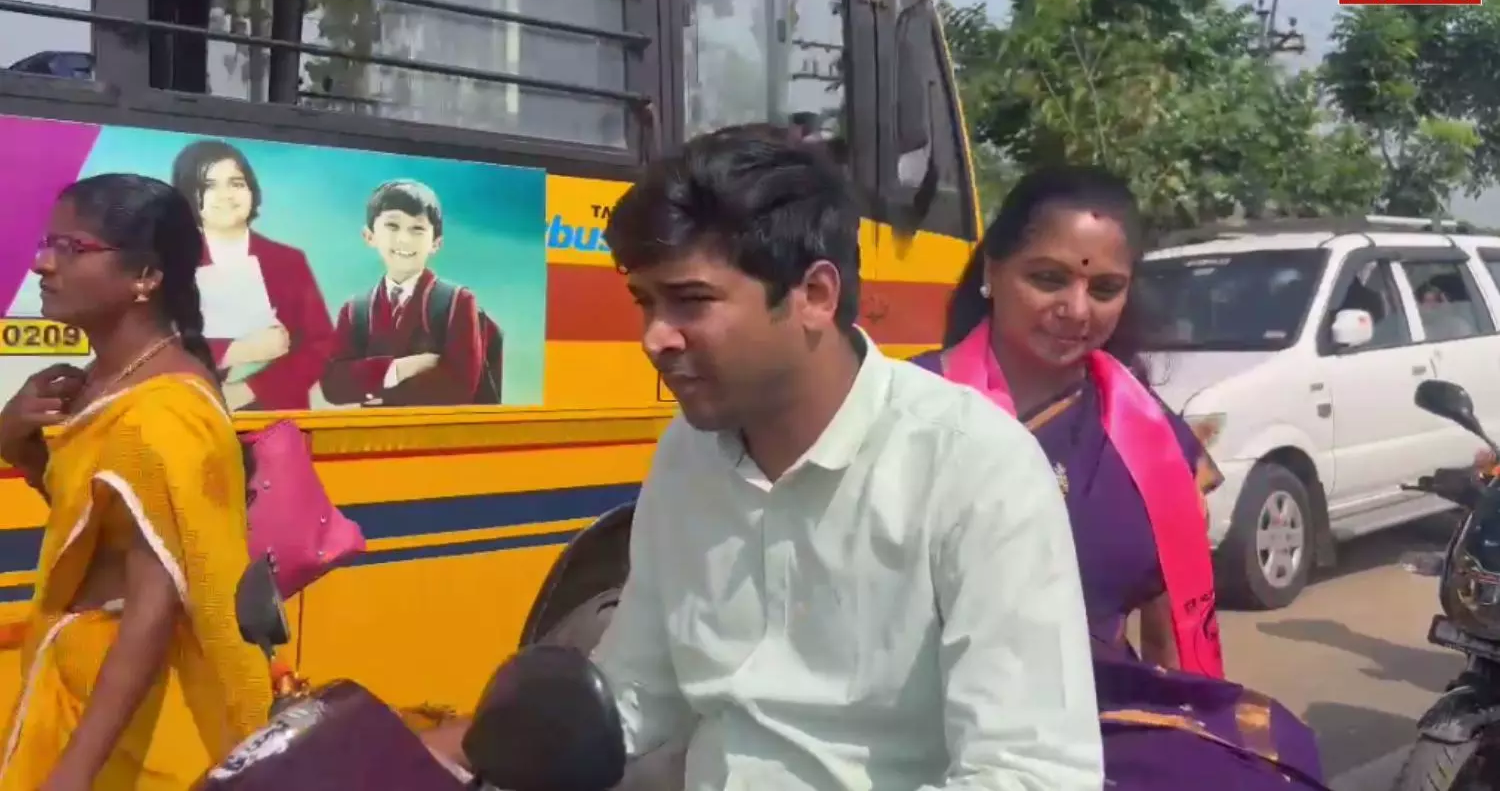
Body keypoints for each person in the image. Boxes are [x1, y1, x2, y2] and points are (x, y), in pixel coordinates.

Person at [592, 126, 1101, 790]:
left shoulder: (975, 468)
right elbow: (636, 692)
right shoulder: (687, 456)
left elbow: (1034, 776)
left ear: (815, 296)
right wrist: (479, 752)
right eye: (646, 304)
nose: (655, 338)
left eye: (690, 301)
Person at [912, 165, 1327, 789]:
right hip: (920, 716)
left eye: (1104, 288)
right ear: (992, 272)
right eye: (1047, 279)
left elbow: (1169, 640)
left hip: (1093, 720)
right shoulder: (909, 409)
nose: (1075, 310)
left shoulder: (1151, 440)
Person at [0, 174, 272, 789]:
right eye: (48, 243)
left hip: (123, 720)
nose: (43, 263)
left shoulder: (164, 412)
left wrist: (73, 774)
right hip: (71, 683)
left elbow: (152, 608)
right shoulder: (103, 381)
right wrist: (14, 436)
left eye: (72, 248)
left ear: (145, 277)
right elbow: (97, 527)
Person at [171, 139, 335, 411]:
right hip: (195, 412)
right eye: (209, 186)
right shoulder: (174, 262)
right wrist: (234, 351)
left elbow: (322, 345)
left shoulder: (288, 261)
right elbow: (159, 344)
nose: (226, 195)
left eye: (236, 183)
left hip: (278, 418)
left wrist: (250, 389)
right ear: (188, 195)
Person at [321, 179, 502, 407]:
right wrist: (399, 368)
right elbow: (333, 386)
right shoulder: (355, 309)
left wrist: (377, 388)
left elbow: (459, 388)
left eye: (417, 229)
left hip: (440, 438)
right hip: (375, 439)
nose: (404, 239)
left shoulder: (457, 301)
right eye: (392, 226)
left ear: (436, 243)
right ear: (369, 236)